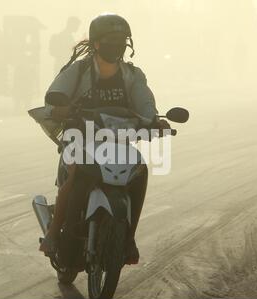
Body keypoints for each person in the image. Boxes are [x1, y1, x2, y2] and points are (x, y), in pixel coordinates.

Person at [40, 13, 170, 265]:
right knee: (75, 174)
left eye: (122, 40)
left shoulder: (133, 75)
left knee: (140, 170)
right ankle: (54, 234)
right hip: (80, 138)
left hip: (119, 143)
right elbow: (53, 96)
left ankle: (128, 237)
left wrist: (154, 121)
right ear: (97, 43)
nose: (117, 45)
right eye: (111, 40)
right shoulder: (78, 71)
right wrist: (61, 108)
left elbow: (145, 105)